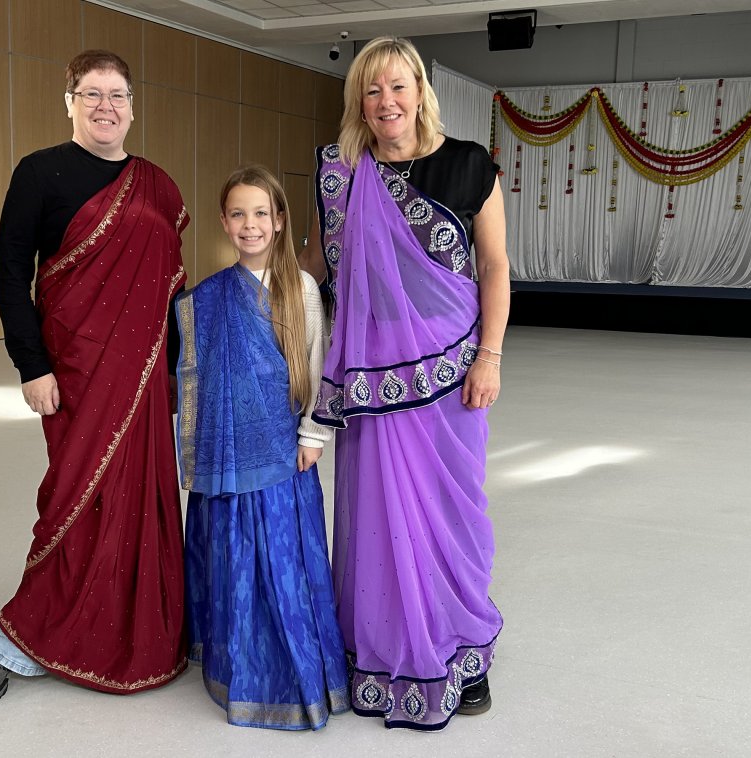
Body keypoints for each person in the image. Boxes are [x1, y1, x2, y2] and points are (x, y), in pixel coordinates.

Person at [298, 36, 511, 731]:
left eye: (397, 86)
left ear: (419, 87)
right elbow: (316, 268)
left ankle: (461, 649)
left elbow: (495, 268)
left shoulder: (468, 163)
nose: (385, 102)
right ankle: (377, 650)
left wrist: (491, 357)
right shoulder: (341, 172)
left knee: (453, 513)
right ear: (358, 101)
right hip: (369, 373)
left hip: (451, 372)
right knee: (375, 518)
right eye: (371, 90)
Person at [0, 50, 190, 702]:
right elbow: (11, 278)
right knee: (73, 499)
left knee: (138, 502)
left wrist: (182, 378)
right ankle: (26, 636)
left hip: (143, 380)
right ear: (69, 101)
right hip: (73, 370)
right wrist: (30, 365)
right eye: (90, 94)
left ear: (132, 104)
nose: (104, 107)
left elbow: (175, 293)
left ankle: (139, 626)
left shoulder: (160, 185)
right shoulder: (39, 173)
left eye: (117, 94)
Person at [174, 165, 350, 730]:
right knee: (234, 553)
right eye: (237, 213)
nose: (249, 225)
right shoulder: (209, 297)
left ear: (279, 221)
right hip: (229, 457)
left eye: (261, 213)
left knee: (280, 558)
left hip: (283, 450)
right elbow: (193, 375)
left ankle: (293, 667)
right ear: (224, 221)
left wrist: (313, 434)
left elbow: (318, 362)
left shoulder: (300, 288)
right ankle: (233, 658)